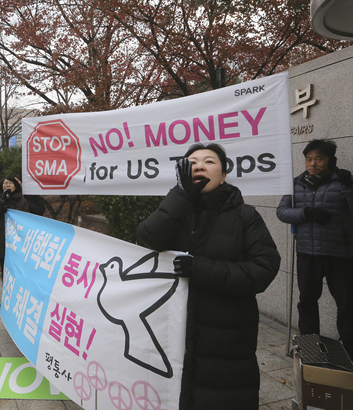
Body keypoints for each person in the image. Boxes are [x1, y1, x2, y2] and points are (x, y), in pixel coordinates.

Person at [135, 143, 280, 410]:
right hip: (173, 330)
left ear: (224, 175)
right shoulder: (176, 209)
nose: (200, 165)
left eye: (209, 161)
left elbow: (264, 268)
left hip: (226, 338)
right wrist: (181, 195)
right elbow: (147, 238)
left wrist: (200, 269)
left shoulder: (246, 216)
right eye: (193, 162)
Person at [276, 139, 353, 358]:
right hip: (308, 253)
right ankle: (310, 348)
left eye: (319, 159)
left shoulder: (344, 181)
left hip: (340, 253)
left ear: (330, 160)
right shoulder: (296, 184)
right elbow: (282, 212)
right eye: (309, 159)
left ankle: (348, 350)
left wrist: (349, 188)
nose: (313, 163)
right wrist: (306, 213)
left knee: (347, 303)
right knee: (307, 301)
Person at [0, 175, 30, 273]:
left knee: (16, 269)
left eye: (10, 183)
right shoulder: (0, 200)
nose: (8, 185)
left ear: (16, 186)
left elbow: (26, 219)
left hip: (17, 239)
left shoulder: (22, 201)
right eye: (5, 183)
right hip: (2, 239)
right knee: (4, 269)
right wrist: (2, 200)